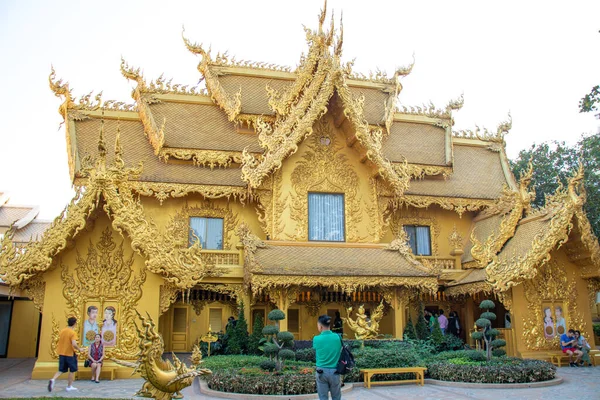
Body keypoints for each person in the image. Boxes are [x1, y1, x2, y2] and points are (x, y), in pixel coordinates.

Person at [48, 317, 82, 392]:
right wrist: (79, 349)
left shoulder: (62, 331)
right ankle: (69, 386)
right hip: (69, 353)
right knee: (72, 370)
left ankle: (53, 379)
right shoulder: (72, 332)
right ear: (74, 323)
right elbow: (74, 344)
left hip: (61, 352)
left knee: (61, 369)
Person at [313, 315, 342, 400]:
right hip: (335, 371)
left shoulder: (316, 339)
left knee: (323, 397)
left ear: (320, 326)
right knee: (336, 397)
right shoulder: (338, 337)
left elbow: (316, 349)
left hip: (321, 371)